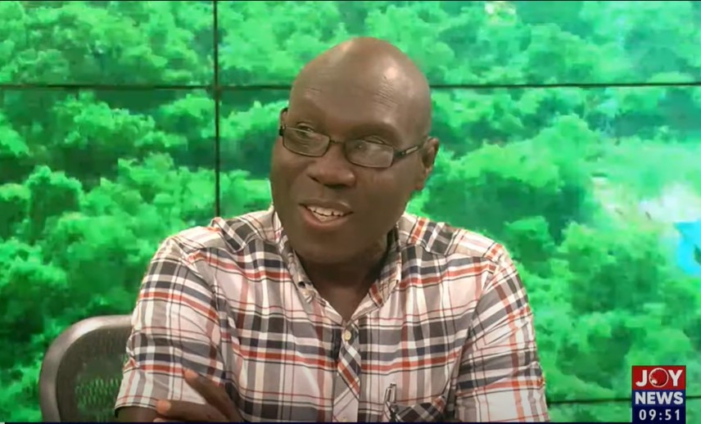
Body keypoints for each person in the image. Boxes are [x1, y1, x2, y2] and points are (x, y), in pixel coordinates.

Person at [115, 37, 550, 423]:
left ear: (424, 164)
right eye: (305, 132)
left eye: (371, 146)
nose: (328, 171)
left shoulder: (477, 276)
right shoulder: (198, 265)